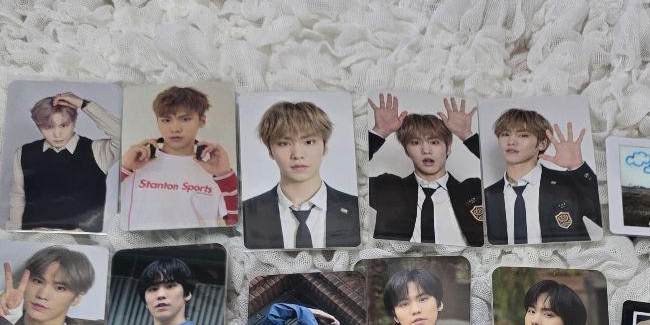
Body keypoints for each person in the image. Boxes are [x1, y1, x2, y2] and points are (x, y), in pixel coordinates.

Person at [366, 93, 484, 246]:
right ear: (406, 150)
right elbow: (352, 174)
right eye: (415, 143)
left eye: (434, 142)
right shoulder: (388, 187)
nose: (426, 150)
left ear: (448, 147)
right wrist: (378, 133)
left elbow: (507, 171)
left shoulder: (473, 189)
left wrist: (467, 136)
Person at [241, 100, 359, 249]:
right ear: (270, 151)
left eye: (309, 142)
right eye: (284, 143)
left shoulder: (356, 208)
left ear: (325, 146)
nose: (297, 154)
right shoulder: (246, 214)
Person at [119, 85, 238, 230]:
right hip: (138, 244)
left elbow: (235, 224)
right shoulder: (135, 164)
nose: (175, 129)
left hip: (194, 244)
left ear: (202, 120)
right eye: (166, 120)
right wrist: (123, 168)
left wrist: (225, 176)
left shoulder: (216, 171)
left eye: (185, 119)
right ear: (157, 121)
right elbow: (107, 208)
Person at [7, 90, 120, 233]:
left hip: (82, 240)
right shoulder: (24, 153)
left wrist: (83, 104)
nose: (57, 134)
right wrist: (17, 234)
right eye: (48, 127)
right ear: (38, 126)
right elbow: (17, 198)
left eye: (64, 125)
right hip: (34, 237)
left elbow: (123, 135)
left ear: (74, 121)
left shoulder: (97, 151)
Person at [484, 108, 600, 245]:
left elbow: (604, 217)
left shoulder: (567, 184)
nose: (511, 141)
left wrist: (578, 167)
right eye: (505, 134)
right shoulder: (488, 196)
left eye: (523, 135)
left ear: (541, 143)